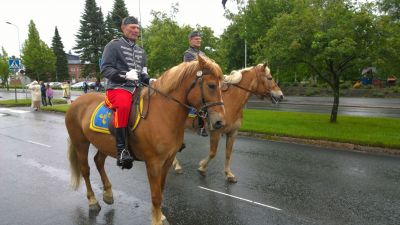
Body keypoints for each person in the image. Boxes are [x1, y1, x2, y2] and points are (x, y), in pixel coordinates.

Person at [101, 16, 150, 169]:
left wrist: (150, 79)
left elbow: (143, 73)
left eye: (137, 28)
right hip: (118, 87)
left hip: (138, 88)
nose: (136, 30)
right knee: (123, 106)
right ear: (123, 28)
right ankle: (122, 150)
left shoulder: (141, 52)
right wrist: (124, 75)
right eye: (132, 27)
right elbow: (105, 69)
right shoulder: (113, 46)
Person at [183, 31, 208, 137]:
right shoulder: (188, 53)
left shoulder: (203, 54)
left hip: (204, 80)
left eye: (199, 39)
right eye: (196, 39)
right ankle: (199, 125)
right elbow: (190, 70)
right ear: (190, 40)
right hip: (194, 81)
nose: (199, 40)